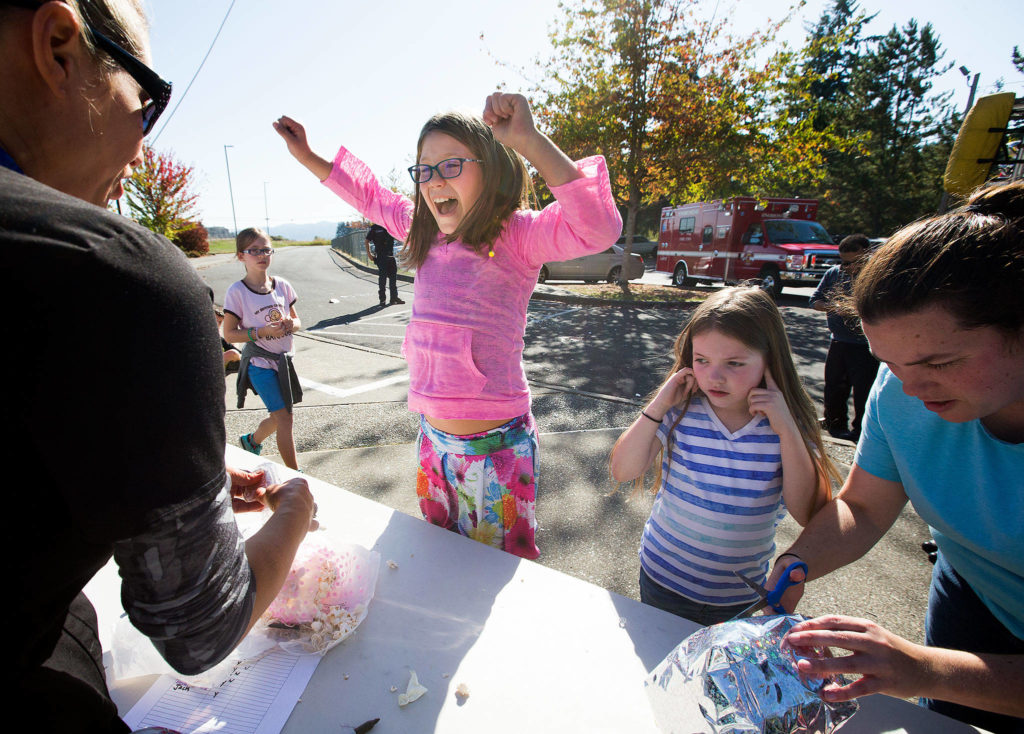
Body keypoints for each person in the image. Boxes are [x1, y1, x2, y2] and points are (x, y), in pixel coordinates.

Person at [0, 2, 314, 731]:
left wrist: (146, 492)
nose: (143, 149)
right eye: (147, 101)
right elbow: (200, 627)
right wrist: (294, 514)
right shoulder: (121, 280)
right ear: (57, 46)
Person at [274, 92, 621, 559]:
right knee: (439, 567)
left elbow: (597, 228)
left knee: (488, 578)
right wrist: (309, 157)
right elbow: (372, 196)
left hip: (495, 451)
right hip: (433, 442)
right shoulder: (423, 228)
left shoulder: (517, 235)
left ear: (492, 168)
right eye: (425, 169)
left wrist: (529, 140)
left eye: (452, 165)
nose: (435, 180)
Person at [767, 182, 1024, 733]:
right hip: (973, 599)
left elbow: (934, 672)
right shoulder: (902, 385)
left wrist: (926, 669)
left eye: (939, 362)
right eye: (890, 363)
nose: (910, 391)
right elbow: (861, 506)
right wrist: (797, 560)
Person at [610, 287, 838, 625]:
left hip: (738, 598)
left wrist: (788, 430)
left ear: (770, 362)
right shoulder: (680, 409)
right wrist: (659, 404)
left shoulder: (785, 426)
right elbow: (623, 470)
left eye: (734, 363)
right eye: (702, 361)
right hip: (661, 579)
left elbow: (808, 512)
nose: (714, 377)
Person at [223, 228, 303, 470]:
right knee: (285, 419)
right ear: (241, 256)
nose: (261, 255)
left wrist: (291, 324)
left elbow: (297, 321)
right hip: (259, 365)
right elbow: (229, 333)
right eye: (254, 251)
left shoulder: (282, 286)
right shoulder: (237, 292)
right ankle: (295, 475)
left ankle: (251, 441)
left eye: (266, 249)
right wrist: (261, 332)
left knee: (279, 417)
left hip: (283, 363)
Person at [809, 234, 879, 441]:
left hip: (866, 344)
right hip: (839, 340)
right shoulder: (834, 274)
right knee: (834, 384)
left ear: (868, 256)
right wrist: (836, 307)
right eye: (844, 262)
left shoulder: (876, 277)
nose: (848, 267)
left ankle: (861, 430)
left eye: (853, 262)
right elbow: (815, 301)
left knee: (864, 390)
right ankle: (834, 422)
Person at [365, 222, 404, 306]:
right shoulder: (375, 227)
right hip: (381, 256)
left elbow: (399, 236)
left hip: (391, 256)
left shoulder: (390, 225)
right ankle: (382, 299)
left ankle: (394, 298)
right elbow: (367, 240)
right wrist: (369, 254)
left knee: (393, 277)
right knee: (383, 278)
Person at [214, 304, 242, 374]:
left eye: (219, 322)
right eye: (215, 320)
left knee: (234, 348)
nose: (217, 324)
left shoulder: (220, 339)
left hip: (219, 368)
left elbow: (238, 353)